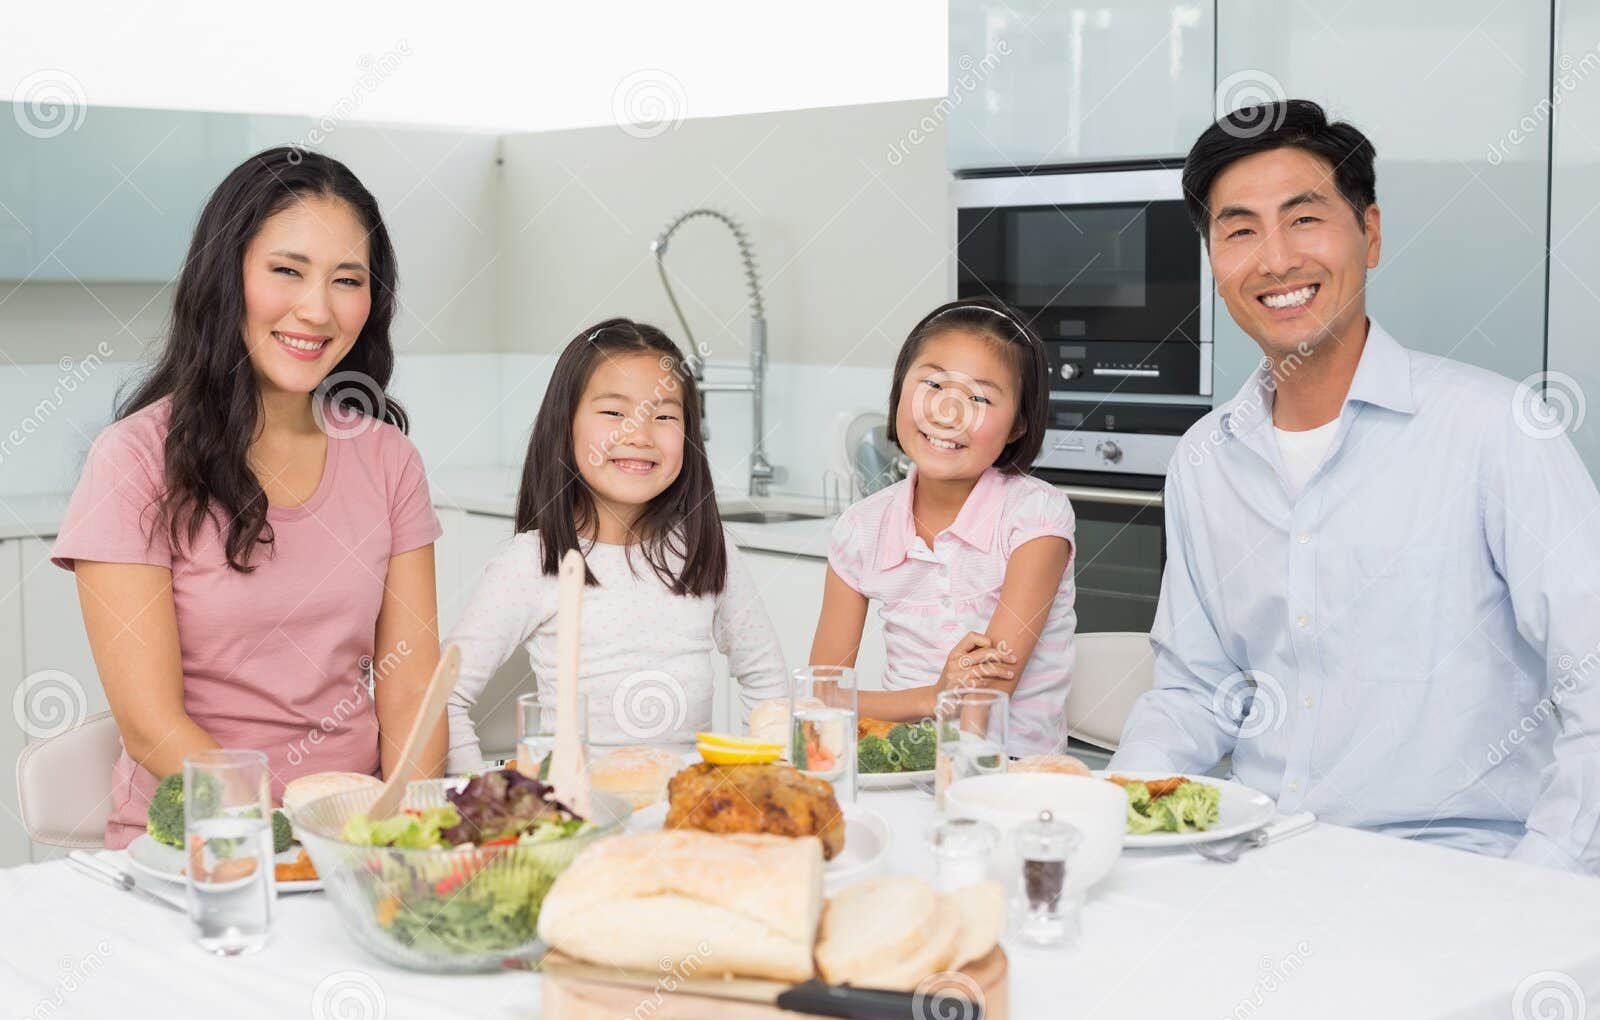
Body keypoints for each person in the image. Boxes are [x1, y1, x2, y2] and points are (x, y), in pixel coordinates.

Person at [1108, 99, 1600, 873]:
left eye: (1304, 219)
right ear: (1214, 259)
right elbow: (1196, 693)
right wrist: (1114, 821)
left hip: (1455, 875)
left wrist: (1539, 886)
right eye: (1239, 231)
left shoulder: (1496, 429)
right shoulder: (1206, 457)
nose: (1273, 260)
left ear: (1369, 234)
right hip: (1256, 859)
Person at [53, 147, 446, 849]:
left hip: (354, 846)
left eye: (347, 280)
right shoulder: (135, 460)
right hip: (195, 848)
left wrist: (399, 835)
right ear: (226, 275)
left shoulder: (389, 460)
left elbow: (412, 690)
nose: (317, 309)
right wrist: (287, 838)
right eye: (287, 270)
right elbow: (151, 724)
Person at [444, 318, 786, 767]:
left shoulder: (708, 549)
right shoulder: (532, 562)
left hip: (680, 816)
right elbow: (443, 701)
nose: (640, 435)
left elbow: (769, 687)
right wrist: (484, 804)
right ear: (564, 425)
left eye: (664, 416)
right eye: (613, 412)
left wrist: (758, 780)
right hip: (574, 817)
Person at [809, 298, 1077, 754]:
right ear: (900, 390)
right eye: (933, 384)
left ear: (1018, 425)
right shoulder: (860, 528)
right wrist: (929, 698)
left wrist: (886, 705)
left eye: (979, 397)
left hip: (1011, 775)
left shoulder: (1036, 518)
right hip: (897, 764)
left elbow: (982, 703)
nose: (948, 413)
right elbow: (820, 696)